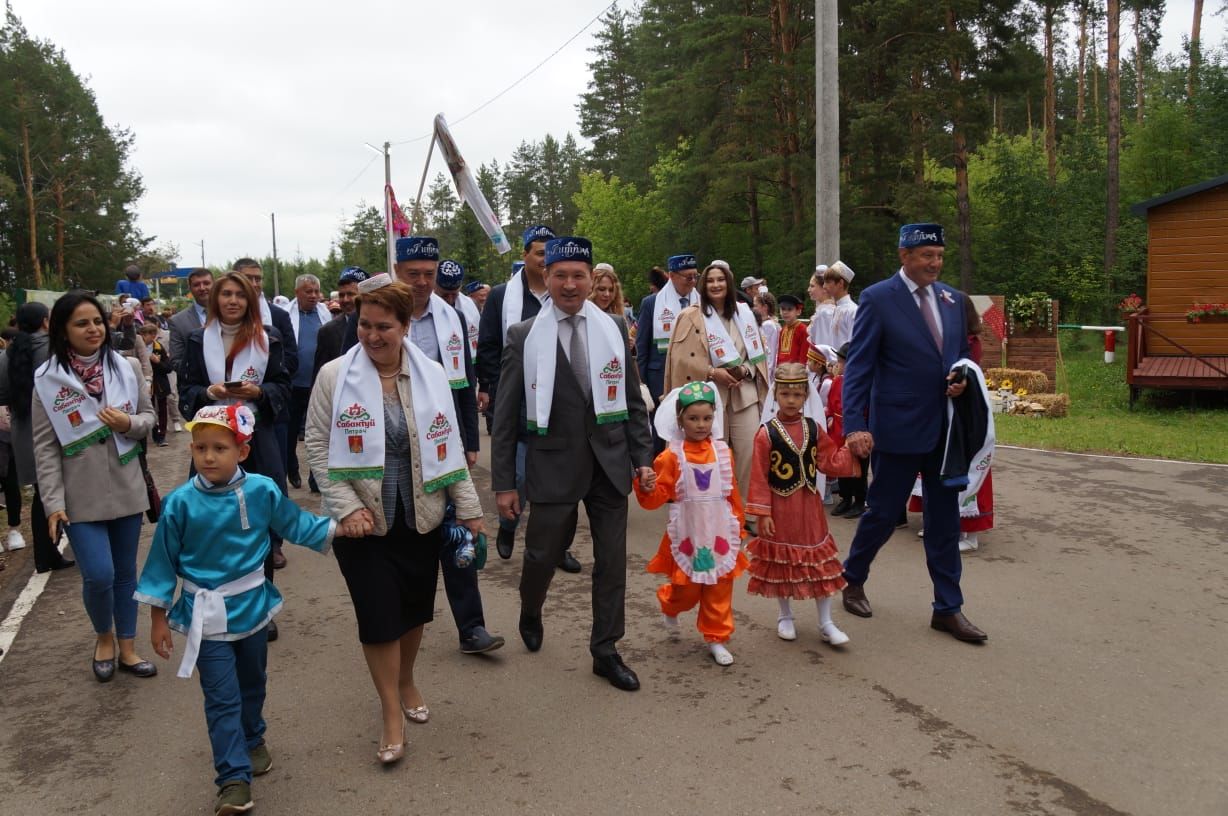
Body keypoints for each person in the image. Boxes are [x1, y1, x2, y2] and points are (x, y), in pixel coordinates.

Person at [305, 275, 486, 764]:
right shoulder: (334, 376)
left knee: (412, 612)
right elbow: (318, 448)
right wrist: (346, 507)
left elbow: (447, 449)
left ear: (406, 325)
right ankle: (389, 710)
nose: (372, 336)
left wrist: (468, 507)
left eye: (384, 326)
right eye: (364, 325)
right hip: (361, 523)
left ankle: (406, 679)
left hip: (420, 517)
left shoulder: (430, 373)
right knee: (379, 617)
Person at [135, 404, 335, 816]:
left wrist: (340, 526)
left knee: (253, 682)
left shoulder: (262, 490)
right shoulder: (180, 504)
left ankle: (254, 737)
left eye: (220, 448)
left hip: (253, 606)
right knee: (221, 698)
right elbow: (161, 561)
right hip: (204, 617)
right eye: (201, 448)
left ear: (241, 452)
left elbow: (295, 524)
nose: (209, 457)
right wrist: (158, 619)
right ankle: (232, 779)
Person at [491, 236, 655, 691]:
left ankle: (606, 649)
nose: (569, 284)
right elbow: (504, 418)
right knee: (542, 555)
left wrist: (643, 457)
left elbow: (632, 401)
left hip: (609, 462)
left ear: (591, 279)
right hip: (552, 464)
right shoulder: (523, 336)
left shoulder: (614, 328)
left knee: (612, 562)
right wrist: (505, 483)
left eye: (578, 275)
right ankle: (530, 607)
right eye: (559, 275)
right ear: (546, 279)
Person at [840, 223, 987, 643]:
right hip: (899, 427)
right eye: (927, 256)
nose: (935, 263)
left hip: (946, 431)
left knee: (944, 520)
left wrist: (960, 376)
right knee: (884, 513)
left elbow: (959, 355)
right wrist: (855, 426)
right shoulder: (878, 299)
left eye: (939, 256)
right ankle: (852, 577)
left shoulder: (954, 300)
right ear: (904, 256)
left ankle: (948, 608)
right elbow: (860, 368)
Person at [32, 291, 157, 681]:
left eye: (97, 322)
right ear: (63, 331)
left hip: (125, 485)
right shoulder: (47, 380)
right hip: (79, 494)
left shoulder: (127, 366)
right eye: (81, 323)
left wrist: (128, 424)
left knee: (125, 573)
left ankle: (128, 647)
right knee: (98, 575)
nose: (93, 330)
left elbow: (149, 417)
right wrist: (53, 503)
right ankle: (103, 636)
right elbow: (45, 447)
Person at [392, 238, 504, 654]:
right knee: (408, 538)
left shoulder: (451, 317)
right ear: (397, 271)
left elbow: (465, 379)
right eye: (413, 274)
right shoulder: (380, 313)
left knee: (457, 532)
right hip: (394, 444)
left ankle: (471, 627)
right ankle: (403, 625)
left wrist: (470, 440)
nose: (422, 282)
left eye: (429, 274)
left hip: (444, 439)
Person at [179, 271, 293, 633]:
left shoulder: (267, 339)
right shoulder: (199, 340)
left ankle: (260, 605)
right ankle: (218, 603)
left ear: (249, 301)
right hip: (212, 441)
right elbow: (186, 392)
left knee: (258, 521)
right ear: (215, 300)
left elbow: (282, 387)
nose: (232, 301)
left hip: (255, 440)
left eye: (239, 295)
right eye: (225, 294)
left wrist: (258, 393)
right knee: (214, 524)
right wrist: (208, 394)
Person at [477, 227, 579, 572]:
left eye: (550, 252)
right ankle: (508, 527)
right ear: (525, 256)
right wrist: (497, 387)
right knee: (518, 478)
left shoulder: (565, 293)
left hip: (560, 407)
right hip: (519, 405)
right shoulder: (502, 297)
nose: (545, 259)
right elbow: (489, 346)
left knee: (562, 486)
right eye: (539, 253)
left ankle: (559, 547)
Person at [745, 363, 859, 646]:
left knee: (820, 562)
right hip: (780, 510)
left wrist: (851, 450)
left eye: (797, 394)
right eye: (785, 394)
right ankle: (785, 616)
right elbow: (759, 476)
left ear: (806, 396)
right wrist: (763, 513)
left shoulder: (814, 428)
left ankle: (826, 622)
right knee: (782, 562)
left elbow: (828, 459)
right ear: (776, 396)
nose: (792, 400)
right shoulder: (765, 433)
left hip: (810, 508)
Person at [634, 382, 748, 666]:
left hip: (720, 530)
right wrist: (646, 486)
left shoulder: (724, 453)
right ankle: (670, 603)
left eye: (707, 418)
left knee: (719, 586)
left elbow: (731, 493)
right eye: (693, 418)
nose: (701, 424)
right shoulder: (671, 457)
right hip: (689, 532)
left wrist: (739, 526)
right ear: (680, 420)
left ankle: (717, 636)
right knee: (686, 589)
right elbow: (656, 498)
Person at [663, 260, 769, 501]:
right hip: (707, 398)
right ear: (702, 285)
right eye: (710, 280)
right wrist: (712, 372)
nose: (716, 284)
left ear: (729, 283)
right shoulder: (690, 317)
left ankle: (746, 510)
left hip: (745, 395)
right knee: (711, 456)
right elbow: (680, 360)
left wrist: (745, 370)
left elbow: (759, 356)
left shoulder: (745, 314)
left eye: (720, 280)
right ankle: (713, 509)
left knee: (749, 453)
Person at [0, 302, 74, 572]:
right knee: (64, 488)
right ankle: (53, 549)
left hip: (24, 430)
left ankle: (46, 554)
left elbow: (3, 395)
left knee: (43, 491)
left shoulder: (9, 353)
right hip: (56, 427)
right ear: (45, 321)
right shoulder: (52, 349)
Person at [285, 274, 331, 495]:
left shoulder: (325, 314)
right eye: (308, 291)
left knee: (318, 433)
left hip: (318, 385)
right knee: (290, 432)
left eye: (316, 291)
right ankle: (291, 468)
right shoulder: (286, 316)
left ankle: (316, 477)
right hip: (293, 386)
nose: (313, 296)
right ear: (297, 293)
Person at [637, 254, 700, 410]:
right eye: (688, 277)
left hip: (695, 376)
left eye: (695, 276)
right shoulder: (651, 303)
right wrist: (642, 383)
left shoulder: (702, 302)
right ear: (672, 276)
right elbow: (642, 347)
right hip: (659, 379)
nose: (692, 281)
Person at [313, 266, 367, 378]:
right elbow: (319, 376)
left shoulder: (380, 326)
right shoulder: (327, 332)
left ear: (364, 295)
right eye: (341, 295)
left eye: (351, 294)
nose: (345, 300)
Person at [435, 259, 480, 361]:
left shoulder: (472, 305)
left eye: (454, 294)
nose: (450, 300)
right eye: (445, 295)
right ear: (435, 285)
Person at [138, 322, 172, 446]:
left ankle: (161, 435)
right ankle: (153, 432)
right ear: (142, 335)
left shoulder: (158, 347)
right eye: (149, 334)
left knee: (162, 409)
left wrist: (158, 362)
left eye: (154, 334)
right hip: (144, 384)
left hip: (159, 384)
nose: (152, 337)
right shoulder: (138, 348)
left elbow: (169, 367)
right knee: (149, 408)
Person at [824, 261, 859, 350]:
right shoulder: (837, 308)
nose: (824, 286)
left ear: (840, 283)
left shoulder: (852, 311)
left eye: (828, 282)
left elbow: (853, 344)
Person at [774, 294, 811, 366]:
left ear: (798, 311)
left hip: (796, 373)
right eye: (783, 309)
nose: (785, 312)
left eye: (789, 309)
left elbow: (804, 356)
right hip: (782, 372)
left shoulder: (803, 330)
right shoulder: (782, 330)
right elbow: (779, 354)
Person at [753, 291, 781, 383]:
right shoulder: (763, 323)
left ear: (765, 307)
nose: (754, 308)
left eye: (756, 305)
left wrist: (766, 374)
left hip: (766, 371)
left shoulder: (768, 325)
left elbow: (770, 352)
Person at [808, 266, 836, 351]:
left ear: (824, 288)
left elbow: (822, 343)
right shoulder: (828, 310)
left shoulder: (824, 313)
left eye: (812, 286)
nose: (808, 289)